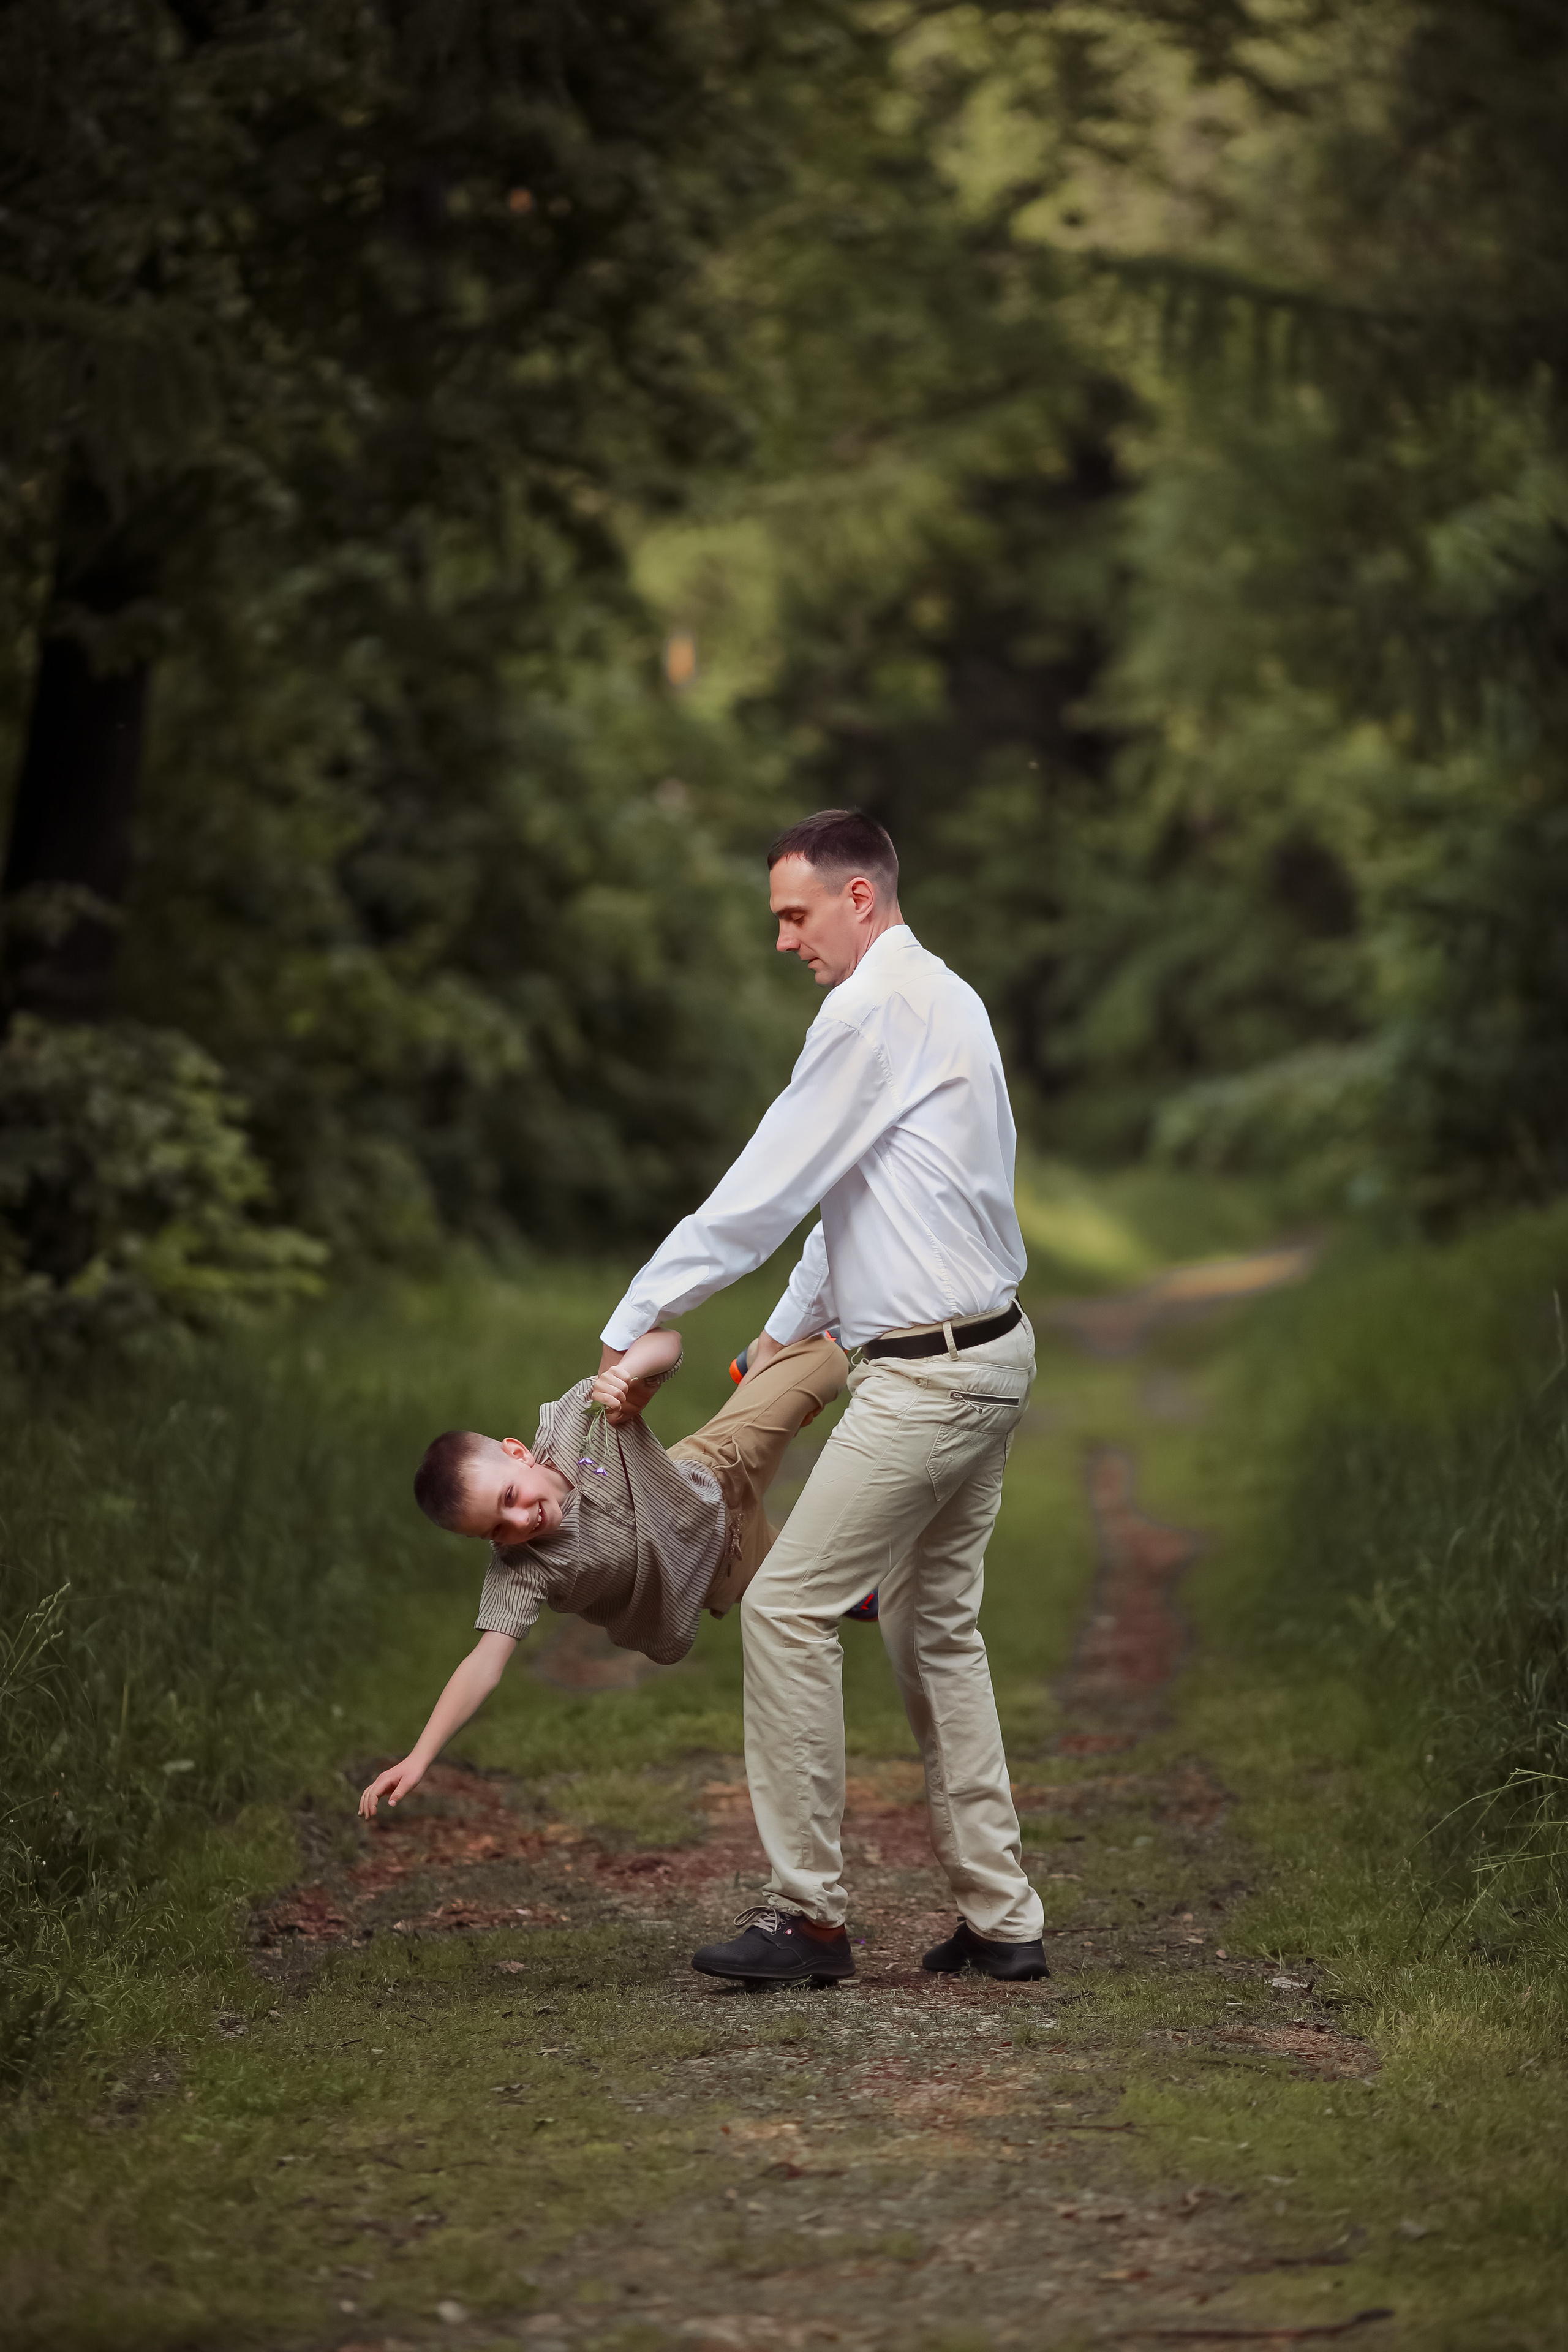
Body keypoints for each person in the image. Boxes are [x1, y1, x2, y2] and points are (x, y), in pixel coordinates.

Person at [597, 807, 1049, 1988]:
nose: (784, 941)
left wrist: (631, 1324)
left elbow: (763, 1192)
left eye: (795, 915)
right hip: (988, 1355)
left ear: (860, 896)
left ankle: (808, 1920)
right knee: (932, 1629)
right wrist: (786, 1333)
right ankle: (1002, 1920)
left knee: (788, 1608)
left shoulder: (866, 1012)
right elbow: (863, 1196)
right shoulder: (945, 995)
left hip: (931, 1379)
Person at [359, 1324, 847, 1821]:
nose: (520, 1522)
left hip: (715, 1473)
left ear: (517, 1453)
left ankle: (762, 1365)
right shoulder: (523, 1571)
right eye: (496, 1530)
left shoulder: (581, 1418)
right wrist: (421, 1756)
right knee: (834, 1579)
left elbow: (667, 1342)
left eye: (509, 1498)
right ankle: (852, 1583)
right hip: (727, 1570)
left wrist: (625, 1375)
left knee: (826, 1362)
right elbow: (484, 1664)